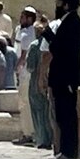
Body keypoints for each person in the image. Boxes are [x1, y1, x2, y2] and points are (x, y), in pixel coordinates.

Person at [46, 0, 80, 159]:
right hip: (64, 77)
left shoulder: (72, 23)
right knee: (64, 116)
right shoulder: (70, 22)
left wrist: (47, 33)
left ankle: (70, 153)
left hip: (66, 78)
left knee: (68, 116)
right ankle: (66, 150)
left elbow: (59, 48)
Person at [26, 15, 53, 151]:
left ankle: (42, 139)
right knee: (48, 112)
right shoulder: (50, 44)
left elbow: (29, 66)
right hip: (49, 80)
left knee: (37, 112)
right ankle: (50, 138)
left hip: (36, 81)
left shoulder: (34, 46)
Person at [14, 7, 39, 145]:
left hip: (25, 73)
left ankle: (28, 133)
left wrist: (16, 69)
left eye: (23, 17)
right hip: (30, 72)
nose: (21, 19)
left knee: (24, 104)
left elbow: (23, 55)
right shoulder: (30, 32)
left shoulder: (26, 34)